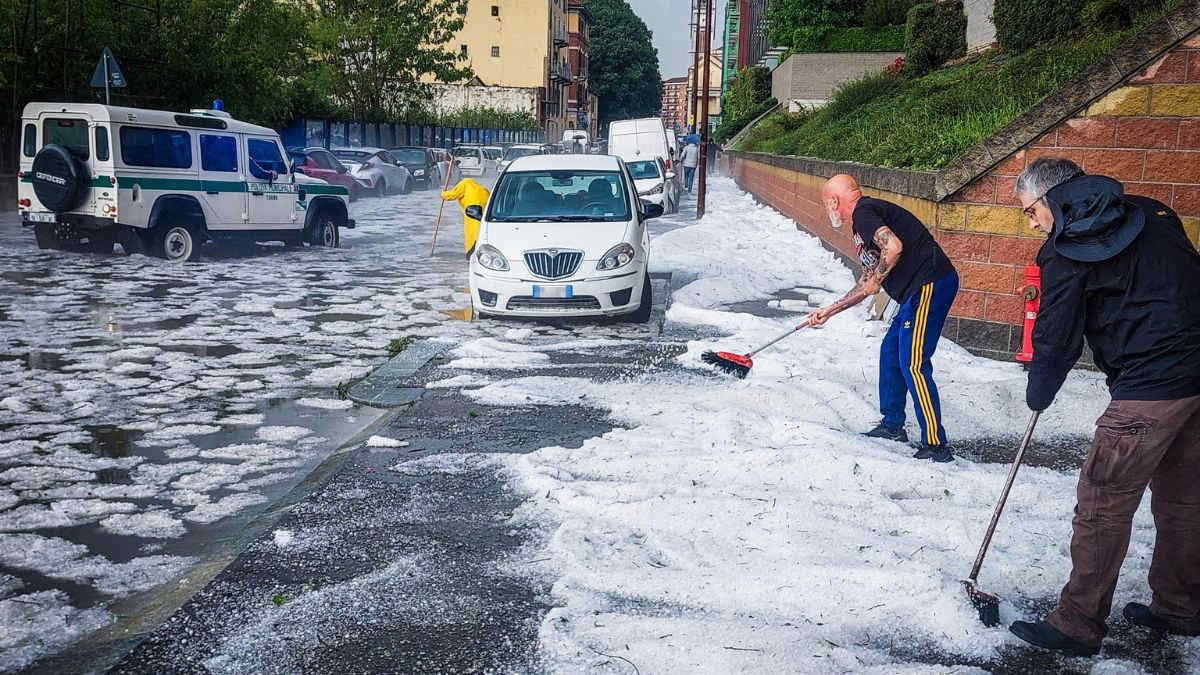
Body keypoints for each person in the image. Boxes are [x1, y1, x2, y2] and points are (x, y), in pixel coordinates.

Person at [1007, 157, 1200, 656]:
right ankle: (1179, 607)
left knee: (1101, 503)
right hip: (1196, 377)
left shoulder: (1064, 250)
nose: (1032, 223)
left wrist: (1039, 390)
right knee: (1184, 500)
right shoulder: (1154, 212)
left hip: (1147, 389)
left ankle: (1076, 624)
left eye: (1030, 211)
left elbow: (1057, 334)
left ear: (1051, 198)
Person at [809, 174, 959, 461]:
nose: (827, 209)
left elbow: (894, 247)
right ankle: (892, 425)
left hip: (930, 283)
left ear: (833, 201)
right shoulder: (864, 222)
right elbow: (867, 283)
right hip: (914, 291)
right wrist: (829, 311)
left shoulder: (864, 213)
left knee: (913, 362)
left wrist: (877, 279)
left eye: (826, 203)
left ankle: (936, 444)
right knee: (891, 352)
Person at [440, 177, 490, 258]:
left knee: (471, 233)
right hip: (483, 211)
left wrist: (443, 194)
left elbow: (453, 194)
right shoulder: (481, 188)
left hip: (472, 210)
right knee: (480, 231)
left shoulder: (464, 183)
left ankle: (471, 253)